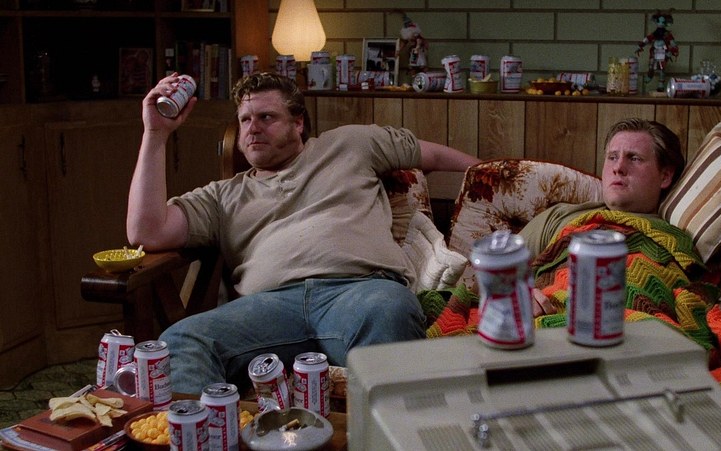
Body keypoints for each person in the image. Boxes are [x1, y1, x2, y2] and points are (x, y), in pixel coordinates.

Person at [127, 72, 481, 394]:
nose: (253, 128)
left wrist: (497, 172)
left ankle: (385, 433)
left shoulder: (350, 144)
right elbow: (146, 232)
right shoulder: (223, 196)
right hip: (270, 307)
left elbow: (434, 156)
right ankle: (212, 434)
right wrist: (155, 134)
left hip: (361, 293)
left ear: (298, 123)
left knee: (391, 309)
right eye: (245, 119)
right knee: (180, 341)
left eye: (266, 117)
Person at [519, 118, 721, 316]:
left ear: (665, 175)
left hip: (641, 333)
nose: (618, 167)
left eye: (634, 158)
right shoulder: (563, 216)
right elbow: (497, 270)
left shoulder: (693, 236)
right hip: (554, 324)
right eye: (612, 157)